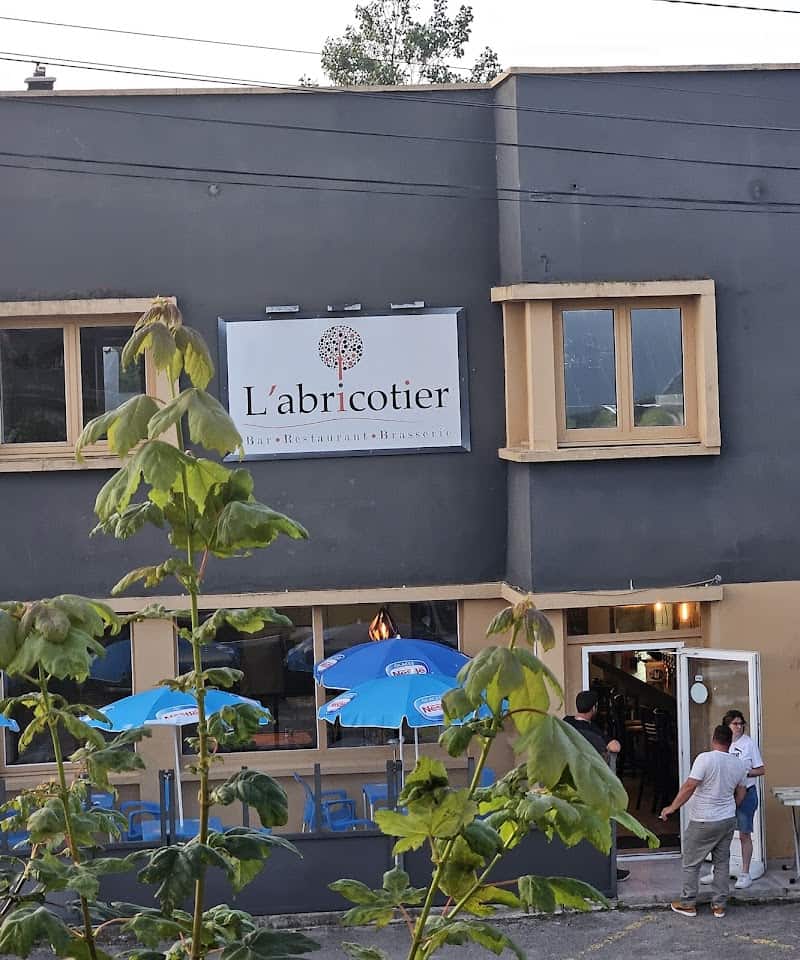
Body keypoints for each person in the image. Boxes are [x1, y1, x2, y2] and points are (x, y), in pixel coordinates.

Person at [660, 724, 747, 919]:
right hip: (726, 819)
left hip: (703, 820)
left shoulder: (705, 759)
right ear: (730, 742)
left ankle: (688, 903)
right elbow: (742, 791)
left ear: (714, 739)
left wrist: (672, 808)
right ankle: (719, 906)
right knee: (722, 863)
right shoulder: (738, 764)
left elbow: (690, 786)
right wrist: (732, 806)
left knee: (691, 863)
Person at [564, 690, 628, 882]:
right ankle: (606, 871)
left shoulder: (565, 723)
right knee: (600, 828)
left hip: (567, 784)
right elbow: (614, 747)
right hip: (589, 786)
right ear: (594, 709)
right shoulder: (592, 731)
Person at [700, 709, 765, 889]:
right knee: (720, 834)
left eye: (741, 723)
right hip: (726, 794)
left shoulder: (748, 744)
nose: (739, 726)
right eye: (735, 723)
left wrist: (744, 771)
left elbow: (761, 769)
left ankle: (745, 873)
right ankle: (716, 870)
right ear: (727, 726)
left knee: (744, 833)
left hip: (746, 794)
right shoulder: (724, 745)